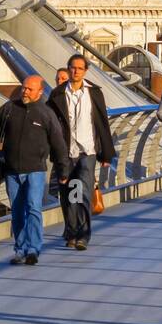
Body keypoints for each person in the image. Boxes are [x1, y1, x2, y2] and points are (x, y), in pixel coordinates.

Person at [0, 74, 66, 266]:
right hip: (12, 169)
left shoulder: (46, 113)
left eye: (30, 89)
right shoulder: (10, 108)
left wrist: (63, 170)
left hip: (35, 170)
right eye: (24, 88)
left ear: (39, 91)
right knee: (17, 211)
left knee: (33, 208)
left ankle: (33, 249)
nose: (25, 92)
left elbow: (58, 143)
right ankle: (20, 249)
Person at [47, 54, 118, 250]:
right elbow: (49, 124)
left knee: (84, 193)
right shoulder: (57, 94)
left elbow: (102, 123)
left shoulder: (94, 93)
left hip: (88, 150)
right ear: (68, 69)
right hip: (65, 151)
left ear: (85, 71)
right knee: (68, 194)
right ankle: (71, 232)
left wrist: (106, 154)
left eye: (79, 68)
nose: (75, 71)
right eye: (72, 67)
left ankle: (83, 235)